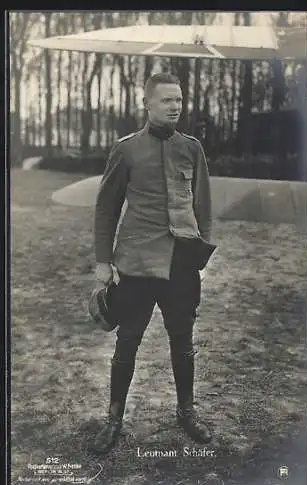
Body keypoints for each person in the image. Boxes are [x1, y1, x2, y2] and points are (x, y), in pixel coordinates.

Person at [92, 72, 215, 454]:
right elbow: (106, 208)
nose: (175, 106)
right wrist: (102, 262)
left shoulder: (192, 148)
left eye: (178, 100)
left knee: (182, 338)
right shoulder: (126, 149)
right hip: (137, 263)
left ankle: (186, 411)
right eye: (166, 100)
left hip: (180, 265)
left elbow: (204, 205)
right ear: (147, 104)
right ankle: (113, 418)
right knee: (127, 340)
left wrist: (200, 249)